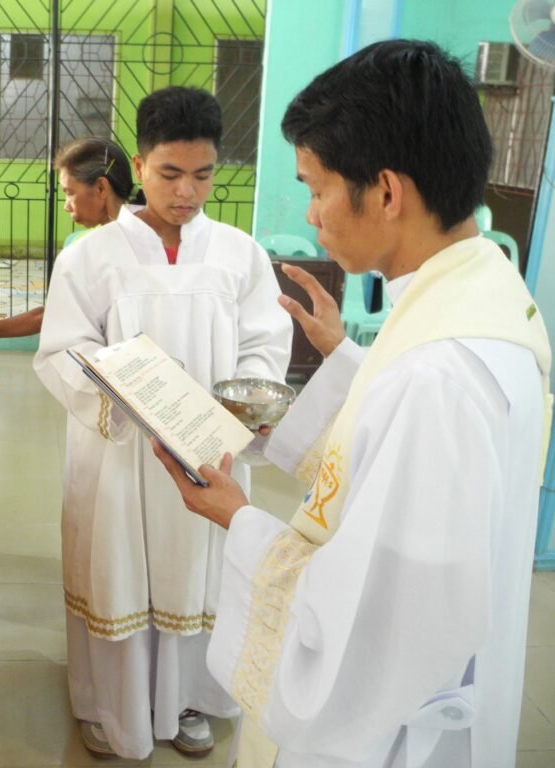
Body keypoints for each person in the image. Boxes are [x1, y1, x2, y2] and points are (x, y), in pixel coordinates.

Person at [154, 40, 552, 768]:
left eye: (315, 188)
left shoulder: (437, 376)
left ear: (388, 193)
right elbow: (396, 465)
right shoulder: (481, 295)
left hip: (388, 736)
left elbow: (372, 621)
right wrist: (339, 368)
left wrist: (236, 519)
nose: (310, 216)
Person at [33, 88, 292, 759]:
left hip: (205, 450)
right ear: (140, 164)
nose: (186, 192)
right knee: (116, 563)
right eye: (170, 174)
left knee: (196, 565)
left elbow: (266, 342)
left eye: (203, 174)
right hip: (120, 448)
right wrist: (120, 390)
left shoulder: (239, 256)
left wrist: (242, 404)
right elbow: (61, 348)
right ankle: (109, 703)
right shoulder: (90, 257)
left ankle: (190, 701)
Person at [0, 137, 136, 343]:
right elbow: (50, 314)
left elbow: (48, 315)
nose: (66, 206)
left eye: (70, 192)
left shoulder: (101, 249)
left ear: (101, 188)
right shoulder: (101, 241)